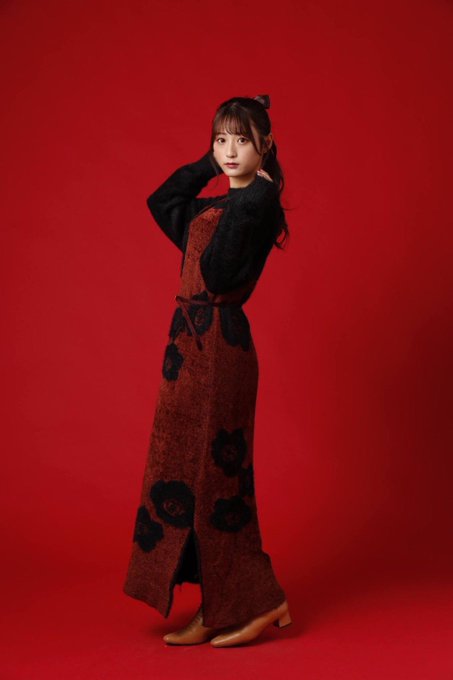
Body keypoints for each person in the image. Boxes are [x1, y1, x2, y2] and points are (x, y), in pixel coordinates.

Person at [123, 94, 292, 647]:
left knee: (218, 481)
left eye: (242, 139)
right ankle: (219, 602)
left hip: (220, 344)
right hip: (187, 349)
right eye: (221, 139)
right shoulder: (216, 204)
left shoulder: (256, 205)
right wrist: (208, 163)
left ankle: (255, 599)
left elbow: (217, 275)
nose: (230, 151)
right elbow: (161, 199)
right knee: (183, 473)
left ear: (265, 145)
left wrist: (255, 190)